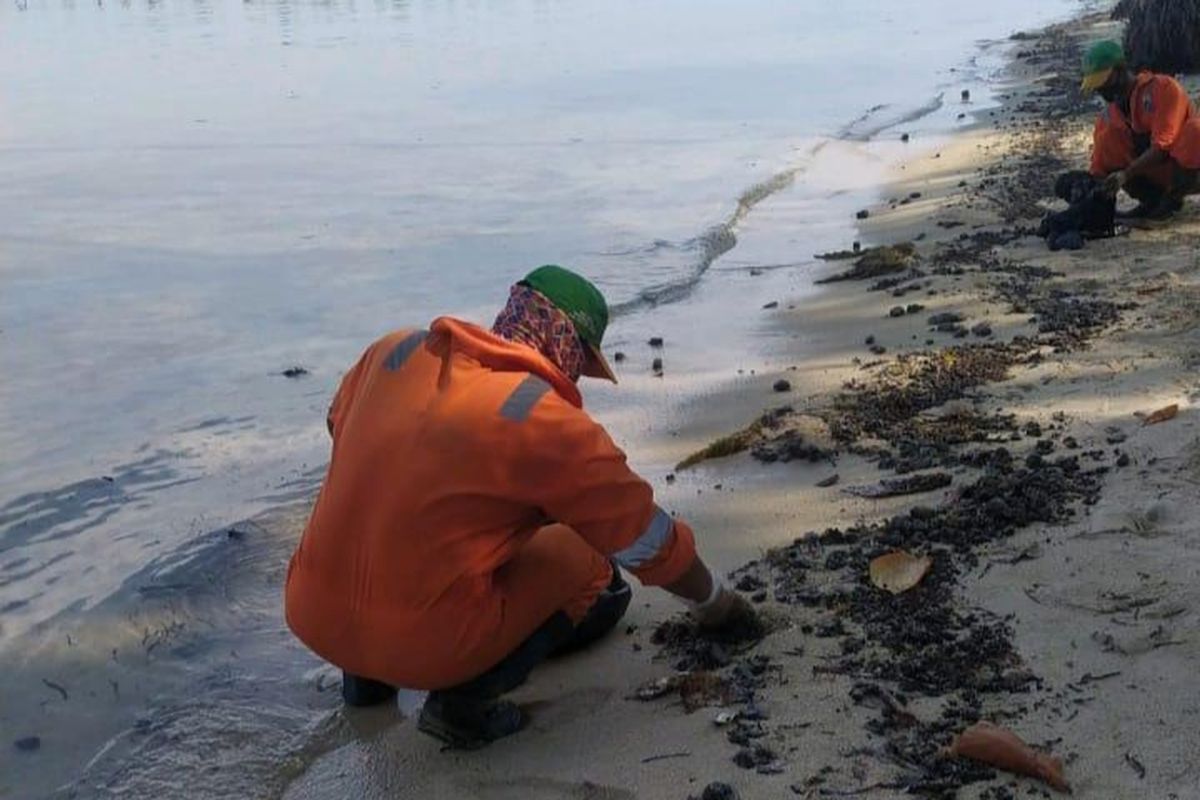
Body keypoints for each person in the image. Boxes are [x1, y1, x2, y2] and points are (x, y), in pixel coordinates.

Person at [284, 265, 760, 749]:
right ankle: (464, 702)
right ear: (569, 346)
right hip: (423, 646)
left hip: (311, 615)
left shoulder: (394, 350)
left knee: (387, 517)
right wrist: (717, 603)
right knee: (589, 561)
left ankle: (365, 683)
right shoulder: (544, 421)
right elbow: (646, 540)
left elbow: (339, 427)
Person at [1081, 40, 1200, 218]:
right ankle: (1153, 202)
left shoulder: (1164, 88)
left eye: (1103, 81)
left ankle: (1171, 203)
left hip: (1190, 172)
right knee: (1107, 139)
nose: (1101, 89)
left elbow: (1162, 147)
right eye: (1096, 85)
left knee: (1195, 130)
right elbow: (1099, 168)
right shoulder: (1107, 119)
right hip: (1155, 176)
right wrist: (1089, 190)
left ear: (1120, 70)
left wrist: (1126, 174)